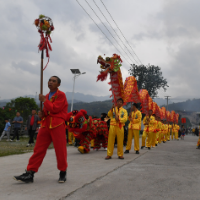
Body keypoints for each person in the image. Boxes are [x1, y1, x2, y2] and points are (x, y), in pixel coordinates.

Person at [13, 76, 68, 183]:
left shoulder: (61, 95)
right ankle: (30, 173)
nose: (50, 82)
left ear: (58, 84)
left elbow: (55, 109)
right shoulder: (47, 96)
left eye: (54, 81)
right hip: (45, 125)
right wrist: (42, 114)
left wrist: (44, 101)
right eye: (49, 80)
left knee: (60, 150)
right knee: (38, 149)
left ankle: (62, 172)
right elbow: (47, 112)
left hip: (57, 125)